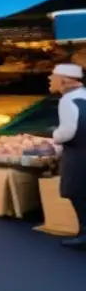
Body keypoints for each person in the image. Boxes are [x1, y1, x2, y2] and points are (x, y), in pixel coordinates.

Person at [50, 63, 86, 248]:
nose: (50, 79)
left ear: (64, 80)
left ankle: (84, 234)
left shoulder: (68, 100)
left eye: (53, 76)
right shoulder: (83, 95)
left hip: (78, 153)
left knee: (77, 192)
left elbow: (69, 131)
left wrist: (55, 136)